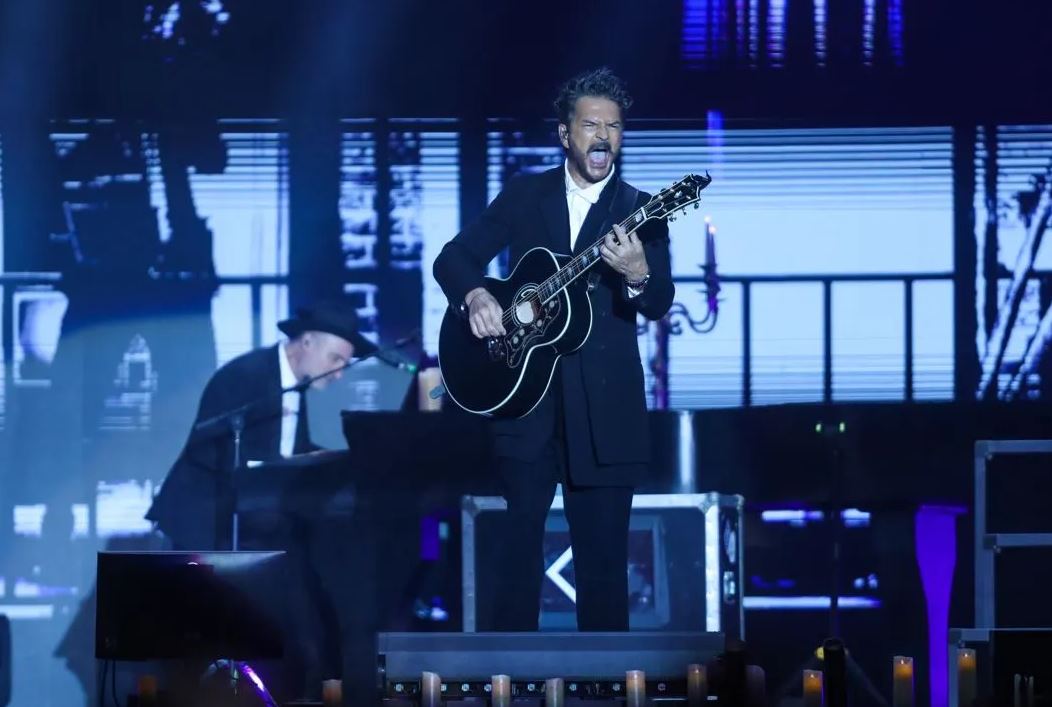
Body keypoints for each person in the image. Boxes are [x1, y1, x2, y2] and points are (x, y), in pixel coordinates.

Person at [433, 67, 674, 631]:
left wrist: (637, 273)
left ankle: (608, 679)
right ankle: (508, 678)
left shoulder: (641, 209)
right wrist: (475, 296)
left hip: (606, 415)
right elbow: (453, 258)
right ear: (565, 134)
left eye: (613, 126)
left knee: (604, 573)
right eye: (591, 125)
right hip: (524, 404)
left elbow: (659, 300)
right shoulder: (526, 195)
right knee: (516, 570)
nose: (603, 136)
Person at [146, 299, 375, 551]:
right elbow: (212, 450)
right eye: (335, 359)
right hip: (206, 523)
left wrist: (332, 460)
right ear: (307, 342)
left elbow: (288, 448)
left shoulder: (297, 386)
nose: (339, 373)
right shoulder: (245, 375)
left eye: (344, 364)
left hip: (252, 523)